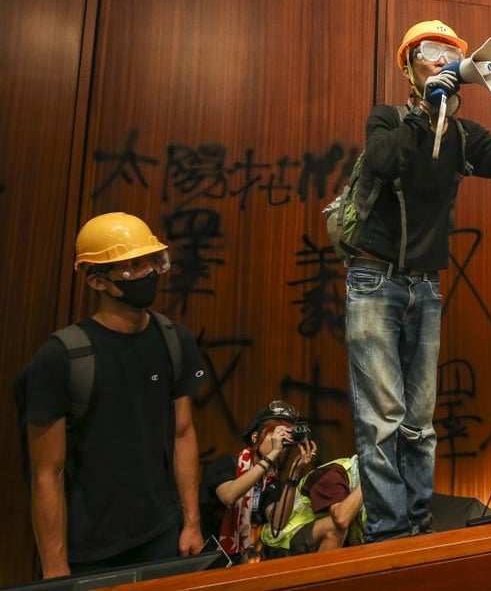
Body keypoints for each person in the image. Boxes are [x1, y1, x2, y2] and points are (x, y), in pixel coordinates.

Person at [345, 19, 491, 542]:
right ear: (409, 68)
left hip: (425, 286)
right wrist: (422, 113)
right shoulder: (387, 118)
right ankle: (388, 535)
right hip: (373, 279)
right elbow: (385, 162)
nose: (440, 60)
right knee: (381, 418)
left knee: (419, 420)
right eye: (429, 53)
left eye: (448, 53)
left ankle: (417, 523)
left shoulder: (462, 134)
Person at [23, 212, 207, 578]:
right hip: (90, 547)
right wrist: (55, 567)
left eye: (152, 261)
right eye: (132, 266)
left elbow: (183, 433)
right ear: (96, 280)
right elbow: (47, 472)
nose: (148, 273)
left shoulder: (174, 340)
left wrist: (191, 523)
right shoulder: (60, 357)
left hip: (161, 535)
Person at [200, 400, 318, 564]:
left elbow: (278, 523)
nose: (281, 442)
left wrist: (294, 474)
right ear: (255, 437)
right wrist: (273, 454)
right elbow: (229, 496)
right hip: (204, 553)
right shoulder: (227, 464)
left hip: (237, 560)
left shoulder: (269, 480)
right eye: (275, 434)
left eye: (285, 436)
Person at [258, 454, 365, 557]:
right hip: (282, 544)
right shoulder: (334, 474)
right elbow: (341, 519)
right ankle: (322, 575)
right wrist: (367, 479)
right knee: (334, 526)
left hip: (308, 540)